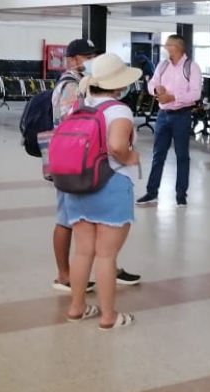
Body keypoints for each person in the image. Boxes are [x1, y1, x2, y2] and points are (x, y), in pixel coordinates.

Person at [50, 40, 140, 293]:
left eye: (92, 55)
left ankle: (86, 287)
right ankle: (65, 275)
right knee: (66, 222)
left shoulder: (85, 89)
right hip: (78, 164)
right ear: (71, 59)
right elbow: (113, 145)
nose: (89, 60)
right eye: (85, 56)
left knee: (86, 246)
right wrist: (130, 157)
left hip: (78, 162)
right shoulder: (70, 86)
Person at [64, 54, 142, 330]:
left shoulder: (79, 106)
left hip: (77, 184)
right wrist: (131, 156)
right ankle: (109, 316)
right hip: (110, 185)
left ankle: (77, 307)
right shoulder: (119, 111)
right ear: (118, 85)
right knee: (106, 255)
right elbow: (118, 148)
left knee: (83, 252)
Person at [137, 35, 203, 207]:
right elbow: (151, 84)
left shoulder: (192, 67)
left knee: (182, 156)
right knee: (158, 155)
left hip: (182, 115)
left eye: (168, 46)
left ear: (177, 48)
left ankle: (181, 195)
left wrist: (173, 96)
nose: (166, 48)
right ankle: (152, 192)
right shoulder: (162, 65)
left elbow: (195, 94)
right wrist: (156, 89)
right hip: (163, 115)